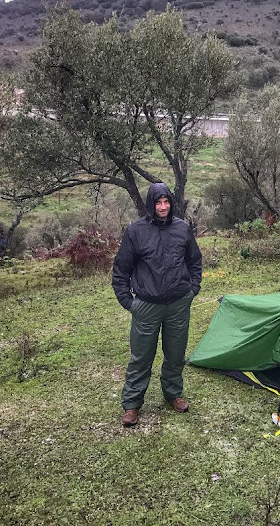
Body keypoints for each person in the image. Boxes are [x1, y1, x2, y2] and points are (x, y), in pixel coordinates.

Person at [111, 183, 202, 427]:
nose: (162, 207)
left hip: (178, 303)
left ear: (171, 203)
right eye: (158, 203)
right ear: (150, 204)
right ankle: (131, 405)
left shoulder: (182, 228)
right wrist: (129, 303)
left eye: (166, 202)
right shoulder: (136, 232)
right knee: (140, 357)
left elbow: (194, 261)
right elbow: (121, 270)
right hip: (146, 306)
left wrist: (192, 289)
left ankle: (173, 394)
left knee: (175, 354)